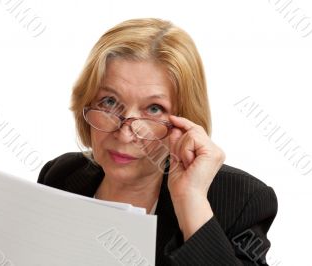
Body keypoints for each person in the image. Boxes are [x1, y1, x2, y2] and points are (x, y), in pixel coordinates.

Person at [37, 18, 278, 265]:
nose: (125, 133)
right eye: (109, 101)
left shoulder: (241, 200)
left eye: (153, 109)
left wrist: (190, 201)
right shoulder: (59, 176)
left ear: (186, 121)